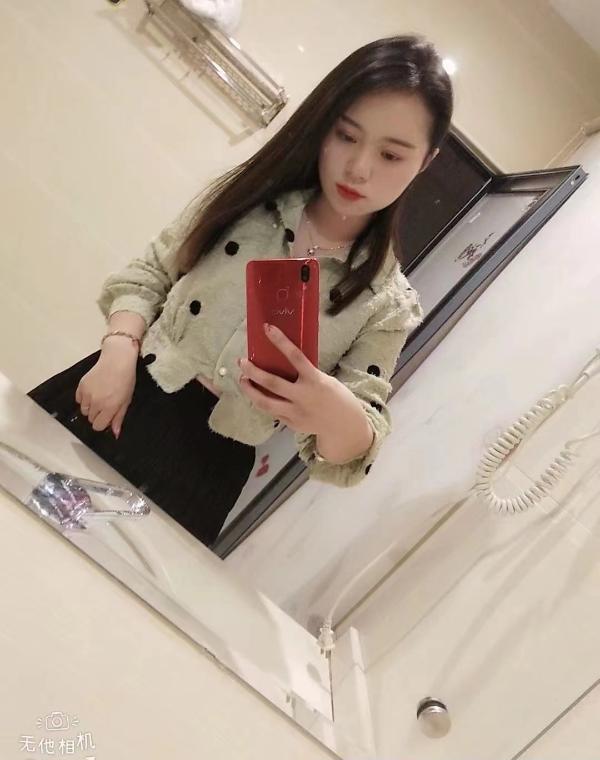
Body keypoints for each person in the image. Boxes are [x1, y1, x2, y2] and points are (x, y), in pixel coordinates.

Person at [28, 35, 453, 547]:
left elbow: (355, 444)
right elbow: (150, 271)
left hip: (205, 469)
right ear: (324, 125)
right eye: (346, 135)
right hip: (118, 392)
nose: (359, 168)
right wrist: (119, 348)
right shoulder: (252, 200)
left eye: (390, 154)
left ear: (424, 162)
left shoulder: (386, 304)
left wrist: (334, 411)